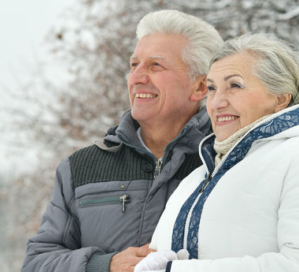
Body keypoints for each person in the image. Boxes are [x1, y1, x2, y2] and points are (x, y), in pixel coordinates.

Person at [134, 33, 299, 271]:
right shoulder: (197, 177)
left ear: (280, 98)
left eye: (235, 85)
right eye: (212, 88)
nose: (217, 102)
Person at [23, 10, 224, 272]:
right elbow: (37, 262)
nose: (137, 77)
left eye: (155, 65)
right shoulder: (81, 168)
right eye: (134, 65)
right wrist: (103, 265)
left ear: (199, 88)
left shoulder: (226, 160)